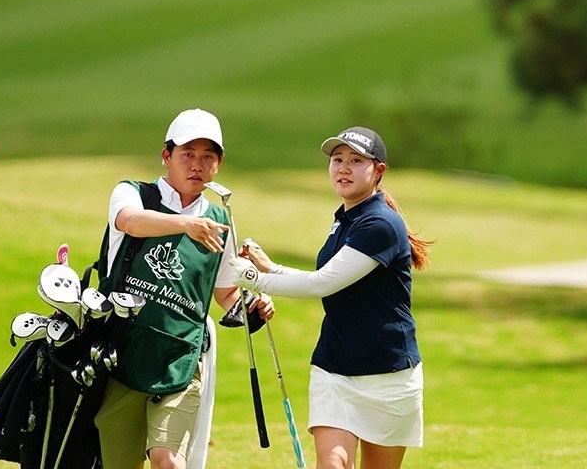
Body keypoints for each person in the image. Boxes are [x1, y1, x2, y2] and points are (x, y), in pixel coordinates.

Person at [232, 126, 432, 469]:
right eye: (337, 160)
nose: (343, 168)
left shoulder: (381, 224)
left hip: (388, 374)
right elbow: (327, 281)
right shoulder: (345, 220)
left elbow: (320, 285)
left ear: (378, 170)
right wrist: (270, 268)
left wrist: (249, 276)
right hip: (335, 369)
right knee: (332, 464)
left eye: (356, 161)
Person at [95, 108, 274, 469]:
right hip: (122, 353)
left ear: (218, 164)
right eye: (187, 154)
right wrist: (186, 225)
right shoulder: (133, 193)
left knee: (168, 460)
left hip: (180, 358)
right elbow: (129, 221)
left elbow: (224, 292)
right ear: (167, 157)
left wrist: (252, 304)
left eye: (207, 156)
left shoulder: (221, 221)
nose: (197, 164)